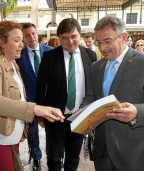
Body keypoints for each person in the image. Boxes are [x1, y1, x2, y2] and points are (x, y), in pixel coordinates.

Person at [81, 16, 144, 171]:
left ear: (124, 37)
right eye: (99, 43)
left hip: (138, 152)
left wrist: (137, 112)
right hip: (103, 151)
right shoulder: (95, 67)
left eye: (107, 41)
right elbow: (91, 96)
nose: (102, 48)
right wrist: (83, 112)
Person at [0, 20, 64, 171]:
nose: (22, 44)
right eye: (17, 40)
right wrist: (35, 109)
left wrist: (19, 129)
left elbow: (17, 99)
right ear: (2, 42)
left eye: (22, 40)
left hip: (8, 135)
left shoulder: (13, 64)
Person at [35, 18, 97, 171]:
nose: (70, 41)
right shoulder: (49, 57)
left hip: (80, 116)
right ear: (59, 38)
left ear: (80, 35)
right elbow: (41, 86)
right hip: (55, 117)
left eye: (74, 36)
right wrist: (40, 114)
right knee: (54, 158)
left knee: (73, 157)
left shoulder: (90, 55)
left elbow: (94, 86)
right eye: (65, 37)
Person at [16, 22, 53, 171]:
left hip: (49, 100)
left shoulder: (50, 51)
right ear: (23, 38)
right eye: (27, 35)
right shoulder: (19, 55)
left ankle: (53, 156)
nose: (31, 37)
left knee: (51, 131)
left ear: (37, 33)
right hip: (29, 101)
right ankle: (36, 156)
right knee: (33, 132)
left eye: (33, 33)